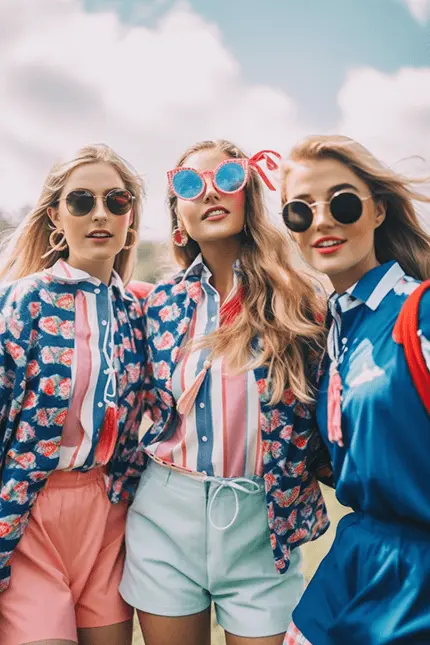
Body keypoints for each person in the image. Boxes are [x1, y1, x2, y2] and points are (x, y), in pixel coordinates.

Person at [119, 139, 333, 645]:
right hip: (165, 515)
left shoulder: (301, 301)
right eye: (191, 184)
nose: (211, 192)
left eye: (228, 179)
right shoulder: (159, 305)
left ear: (249, 195)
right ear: (179, 215)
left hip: (262, 525)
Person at [280, 135, 430, 645]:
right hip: (353, 562)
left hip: (417, 583)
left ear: (379, 211)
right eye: (300, 212)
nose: (321, 221)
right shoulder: (332, 335)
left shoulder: (421, 313)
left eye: (342, 203)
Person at [0, 144, 149, 645]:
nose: (101, 213)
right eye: (81, 201)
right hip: (30, 515)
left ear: (131, 217)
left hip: (108, 514)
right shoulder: (22, 302)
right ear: (56, 218)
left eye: (117, 201)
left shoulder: (139, 312)